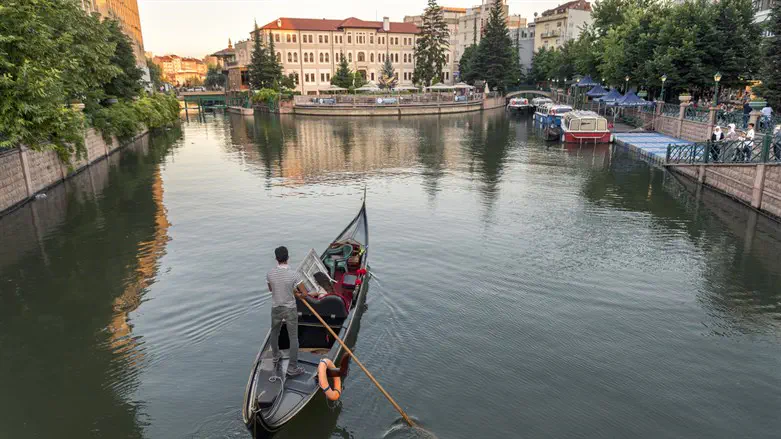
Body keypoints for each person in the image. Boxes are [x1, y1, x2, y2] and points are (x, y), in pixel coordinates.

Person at [267, 246, 309, 377]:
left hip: (276, 308)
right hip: (290, 309)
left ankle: (275, 356)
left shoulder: (270, 274)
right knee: (293, 338)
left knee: (274, 333)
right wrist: (297, 294)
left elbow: (271, 289)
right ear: (288, 258)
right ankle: (292, 368)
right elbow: (305, 293)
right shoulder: (294, 274)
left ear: (276, 258)